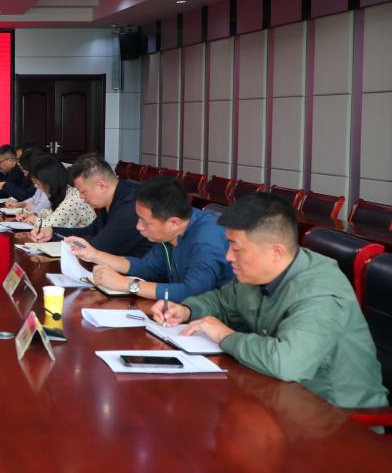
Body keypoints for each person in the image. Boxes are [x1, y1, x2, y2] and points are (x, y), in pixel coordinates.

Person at [151, 194, 387, 409]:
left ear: (276, 252)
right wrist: (186, 310)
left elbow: (286, 362)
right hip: (279, 395)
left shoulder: (321, 291)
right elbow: (222, 301)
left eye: (236, 248)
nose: (228, 256)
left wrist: (224, 335)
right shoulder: (257, 274)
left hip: (337, 417)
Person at [70, 177, 233, 301]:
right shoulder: (170, 232)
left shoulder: (207, 239)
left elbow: (192, 292)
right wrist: (94, 254)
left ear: (174, 223)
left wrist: (126, 284)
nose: (138, 226)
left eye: (145, 222)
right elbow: (147, 267)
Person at [30, 153, 151, 257]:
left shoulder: (131, 206)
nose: (81, 197)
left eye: (83, 192)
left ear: (101, 186)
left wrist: (67, 240)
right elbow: (90, 231)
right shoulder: (111, 197)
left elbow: (98, 246)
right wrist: (52, 232)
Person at [21, 155, 96, 229]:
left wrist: (34, 219)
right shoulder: (66, 192)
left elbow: (51, 226)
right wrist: (35, 215)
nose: (37, 187)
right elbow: (54, 213)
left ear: (50, 181)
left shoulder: (73, 199)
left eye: (38, 183)